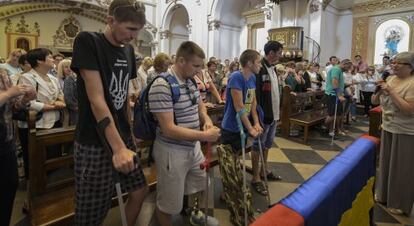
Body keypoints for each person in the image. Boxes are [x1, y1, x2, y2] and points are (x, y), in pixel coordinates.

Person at [70, 0, 148, 225]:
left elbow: (122, 98)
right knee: (92, 212)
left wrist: (129, 134)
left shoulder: (129, 50)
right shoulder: (88, 41)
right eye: (130, 29)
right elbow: (97, 101)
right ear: (111, 20)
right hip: (94, 141)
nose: (134, 36)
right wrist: (118, 148)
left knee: (139, 191)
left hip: (122, 137)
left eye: (138, 30)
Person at [148, 41, 220, 226]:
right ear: (181, 60)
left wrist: (206, 120)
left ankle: (196, 215)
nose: (199, 71)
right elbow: (169, 129)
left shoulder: (190, 81)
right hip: (171, 151)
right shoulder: (161, 85)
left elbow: (200, 105)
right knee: (168, 203)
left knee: (203, 183)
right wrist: (204, 136)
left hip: (192, 147)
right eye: (196, 65)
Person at [219, 49, 263, 225]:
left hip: (244, 126)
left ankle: (229, 191)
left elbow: (251, 103)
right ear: (250, 63)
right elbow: (238, 106)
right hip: (231, 126)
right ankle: (228, 192)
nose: (260, 65)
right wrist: (250, 128)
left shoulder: (252, 78)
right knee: (228, 161)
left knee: (236, 158)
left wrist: (256, 122)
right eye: (258, 62)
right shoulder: (236, 77)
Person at [372, 51, 414, 216]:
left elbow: (409, 110)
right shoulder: (390, 79)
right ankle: (383, 195)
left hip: (406, 131)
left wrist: (390, 91)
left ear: (410, 67)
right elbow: (375, 102)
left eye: (399, 63)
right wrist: (378, 90)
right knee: (386, 163)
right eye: (394, 62)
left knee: (402, 168)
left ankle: (399, 202)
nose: (394, 65)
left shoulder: (411, 83)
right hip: (388, 126)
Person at [18, 48, 66, 178]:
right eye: (50, 57)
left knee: (53, 155)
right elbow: (27, 103)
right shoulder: (27, 77)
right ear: (39, 60)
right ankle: (35, 188)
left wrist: (60, 102)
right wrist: (52, 106)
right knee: (37, 159)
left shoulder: (53, 78)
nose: (53, 60)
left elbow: (60, 96)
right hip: (36, 123)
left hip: (55, 120)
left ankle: (52, 181)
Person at [0, 68, 36, 226]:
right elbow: (6, 97)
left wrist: (24, 100)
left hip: (6, 141)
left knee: (9, 185)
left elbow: (12, 108)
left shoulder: (2, 73)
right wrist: (8, 94)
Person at [251, 41, 283, 196]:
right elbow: (256, 95)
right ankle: (256, 177)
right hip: (264, 116)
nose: (281, 55)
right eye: (279, 52)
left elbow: (275, 92)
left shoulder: (273, 69)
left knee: (267, 145)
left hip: (274, 114)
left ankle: (264, 170)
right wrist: (259, 117)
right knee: (258, 146)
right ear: (271, 53)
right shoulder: (260, 68)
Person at [324, 59, 353, 136]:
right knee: (333, 115)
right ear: (344, 64)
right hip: (332, 95)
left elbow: (339, 83)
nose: (348, 69)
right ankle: (325, 126)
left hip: (336, 94)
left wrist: (348, 85)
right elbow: (334, 82)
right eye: (348, 67)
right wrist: (339, 95)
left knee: (339, 114)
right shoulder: (336, 69)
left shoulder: (339, 70)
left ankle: (336, 129)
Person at [61, 59, 78, 125]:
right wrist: (77, 107)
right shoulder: (70, 79)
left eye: (70, 66)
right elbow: (68, 99)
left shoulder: (76, 76)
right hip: (76, 111)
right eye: (66, 67)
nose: (69, 68)